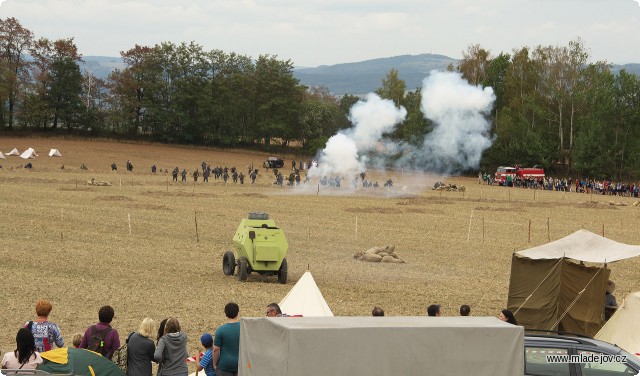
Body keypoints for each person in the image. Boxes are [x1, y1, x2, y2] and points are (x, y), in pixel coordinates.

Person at [214, 303, 241, 376]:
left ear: (226, 313)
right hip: (240, 364)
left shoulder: (220, 330)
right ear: (237, 313)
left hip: (224, 365)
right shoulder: (244, 328)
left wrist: (214, 364)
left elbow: (216, 349)